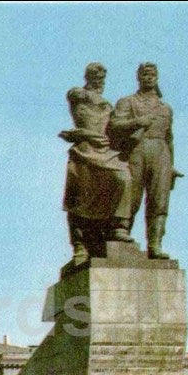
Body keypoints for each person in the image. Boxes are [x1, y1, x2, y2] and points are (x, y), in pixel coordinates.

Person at [59, 62, 134, 266]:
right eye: (96, 76)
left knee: (124, 178)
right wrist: (83, 133)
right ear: (88, 77)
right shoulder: (78, 94)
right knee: (80, 197)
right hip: (85, 149)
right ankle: (80, 245)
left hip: (105, 150)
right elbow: (75, 97)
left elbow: (117, 128)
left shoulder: (109, 105)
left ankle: (118, 227)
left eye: (102, 77)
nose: (100, 80)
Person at [109, 62, 182, 259]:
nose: (149, 78)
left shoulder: (166, 108)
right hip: (136, 150)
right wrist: (137, 122)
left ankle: (155, 244)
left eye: (153, 75)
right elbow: (113, 126)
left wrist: (171, 165)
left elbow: (170, 138)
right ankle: (122, 234)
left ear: (157, 78)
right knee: (131, 195)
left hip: (161, 153)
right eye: (145, 74)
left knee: (159, 201)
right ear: (138, 77)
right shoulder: (128, 102)